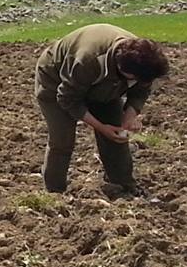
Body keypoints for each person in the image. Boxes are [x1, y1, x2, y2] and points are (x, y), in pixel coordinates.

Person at [34, 25, 170, 194]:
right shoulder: (88, 59)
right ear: (122, 69)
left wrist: (129, 116)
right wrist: (100, 127)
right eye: (134, 78)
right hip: (56, 82)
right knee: (62, 139)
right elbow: (67, 98)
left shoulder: (144, 61)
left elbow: (141, 90)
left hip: (104, 84)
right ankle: (54, 192)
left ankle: (123, 185)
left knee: (117, 136)